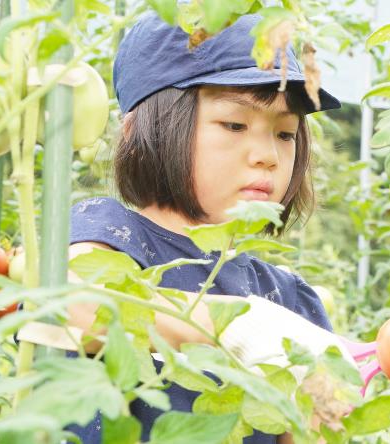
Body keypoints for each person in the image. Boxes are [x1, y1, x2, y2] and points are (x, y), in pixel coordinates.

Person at [66, 11, 353, 444]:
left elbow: (313, 430)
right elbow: (70, 305)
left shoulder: (289, 297)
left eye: (285, 134)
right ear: (139, 131)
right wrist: (238, 328)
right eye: (234, 125)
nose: (267, 156)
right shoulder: (108, 234)